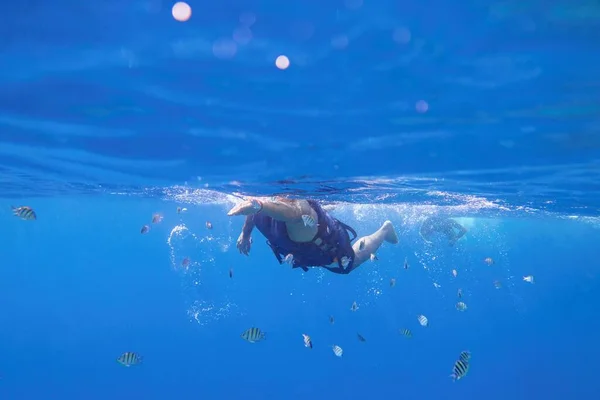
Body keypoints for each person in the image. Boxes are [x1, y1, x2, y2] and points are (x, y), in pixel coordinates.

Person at [227, 197, 399, 274]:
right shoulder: (258, 208)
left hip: (322, 243)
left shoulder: (300, 220)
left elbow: (295, 213)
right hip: (302, 245)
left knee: (350, 263)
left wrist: (259, 206)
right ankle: (327, 207)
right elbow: (252, 209)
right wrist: (245, 232)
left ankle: (385, 229)